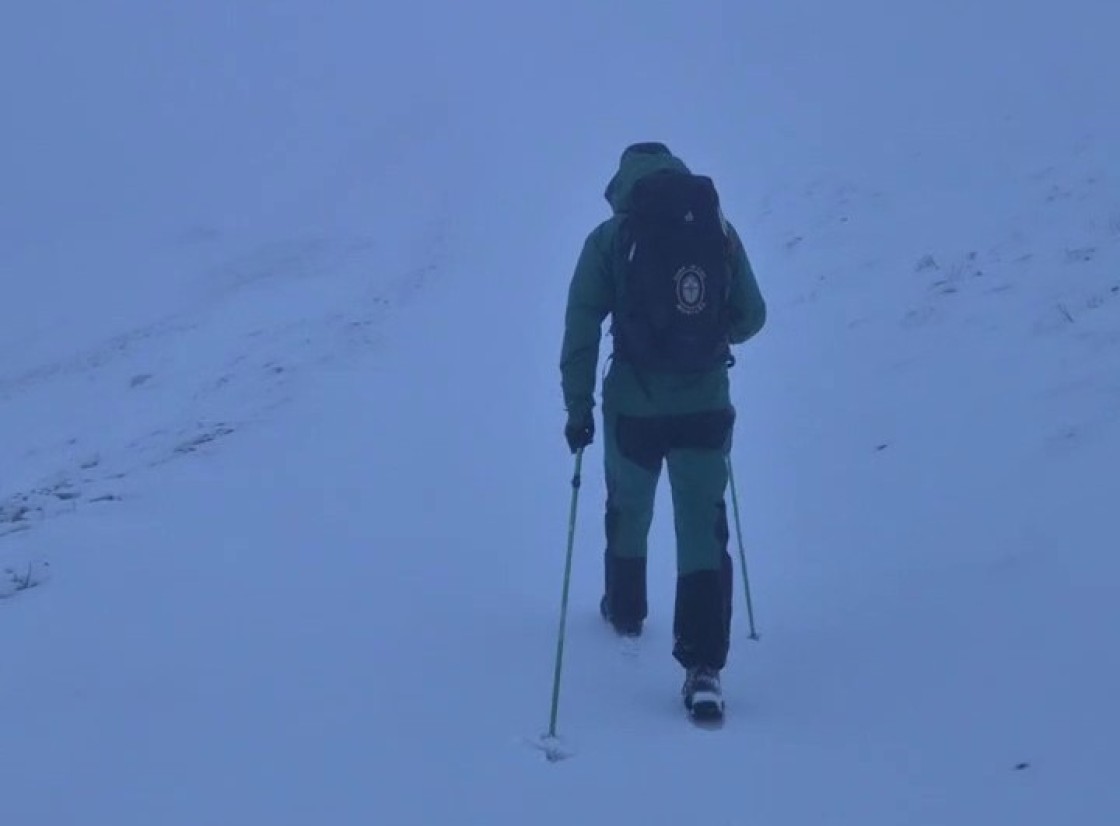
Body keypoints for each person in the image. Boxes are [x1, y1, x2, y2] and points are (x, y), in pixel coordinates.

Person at [559, 142, 766, 720]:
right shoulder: (717, 228)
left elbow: (580, 326)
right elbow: (752, 316)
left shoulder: (610, 238)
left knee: (631, 505)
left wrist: (577, 411)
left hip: (633, 406)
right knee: (702, 526)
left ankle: (625, 609)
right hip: (705, 404)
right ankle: (703, 671)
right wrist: (704, 335)